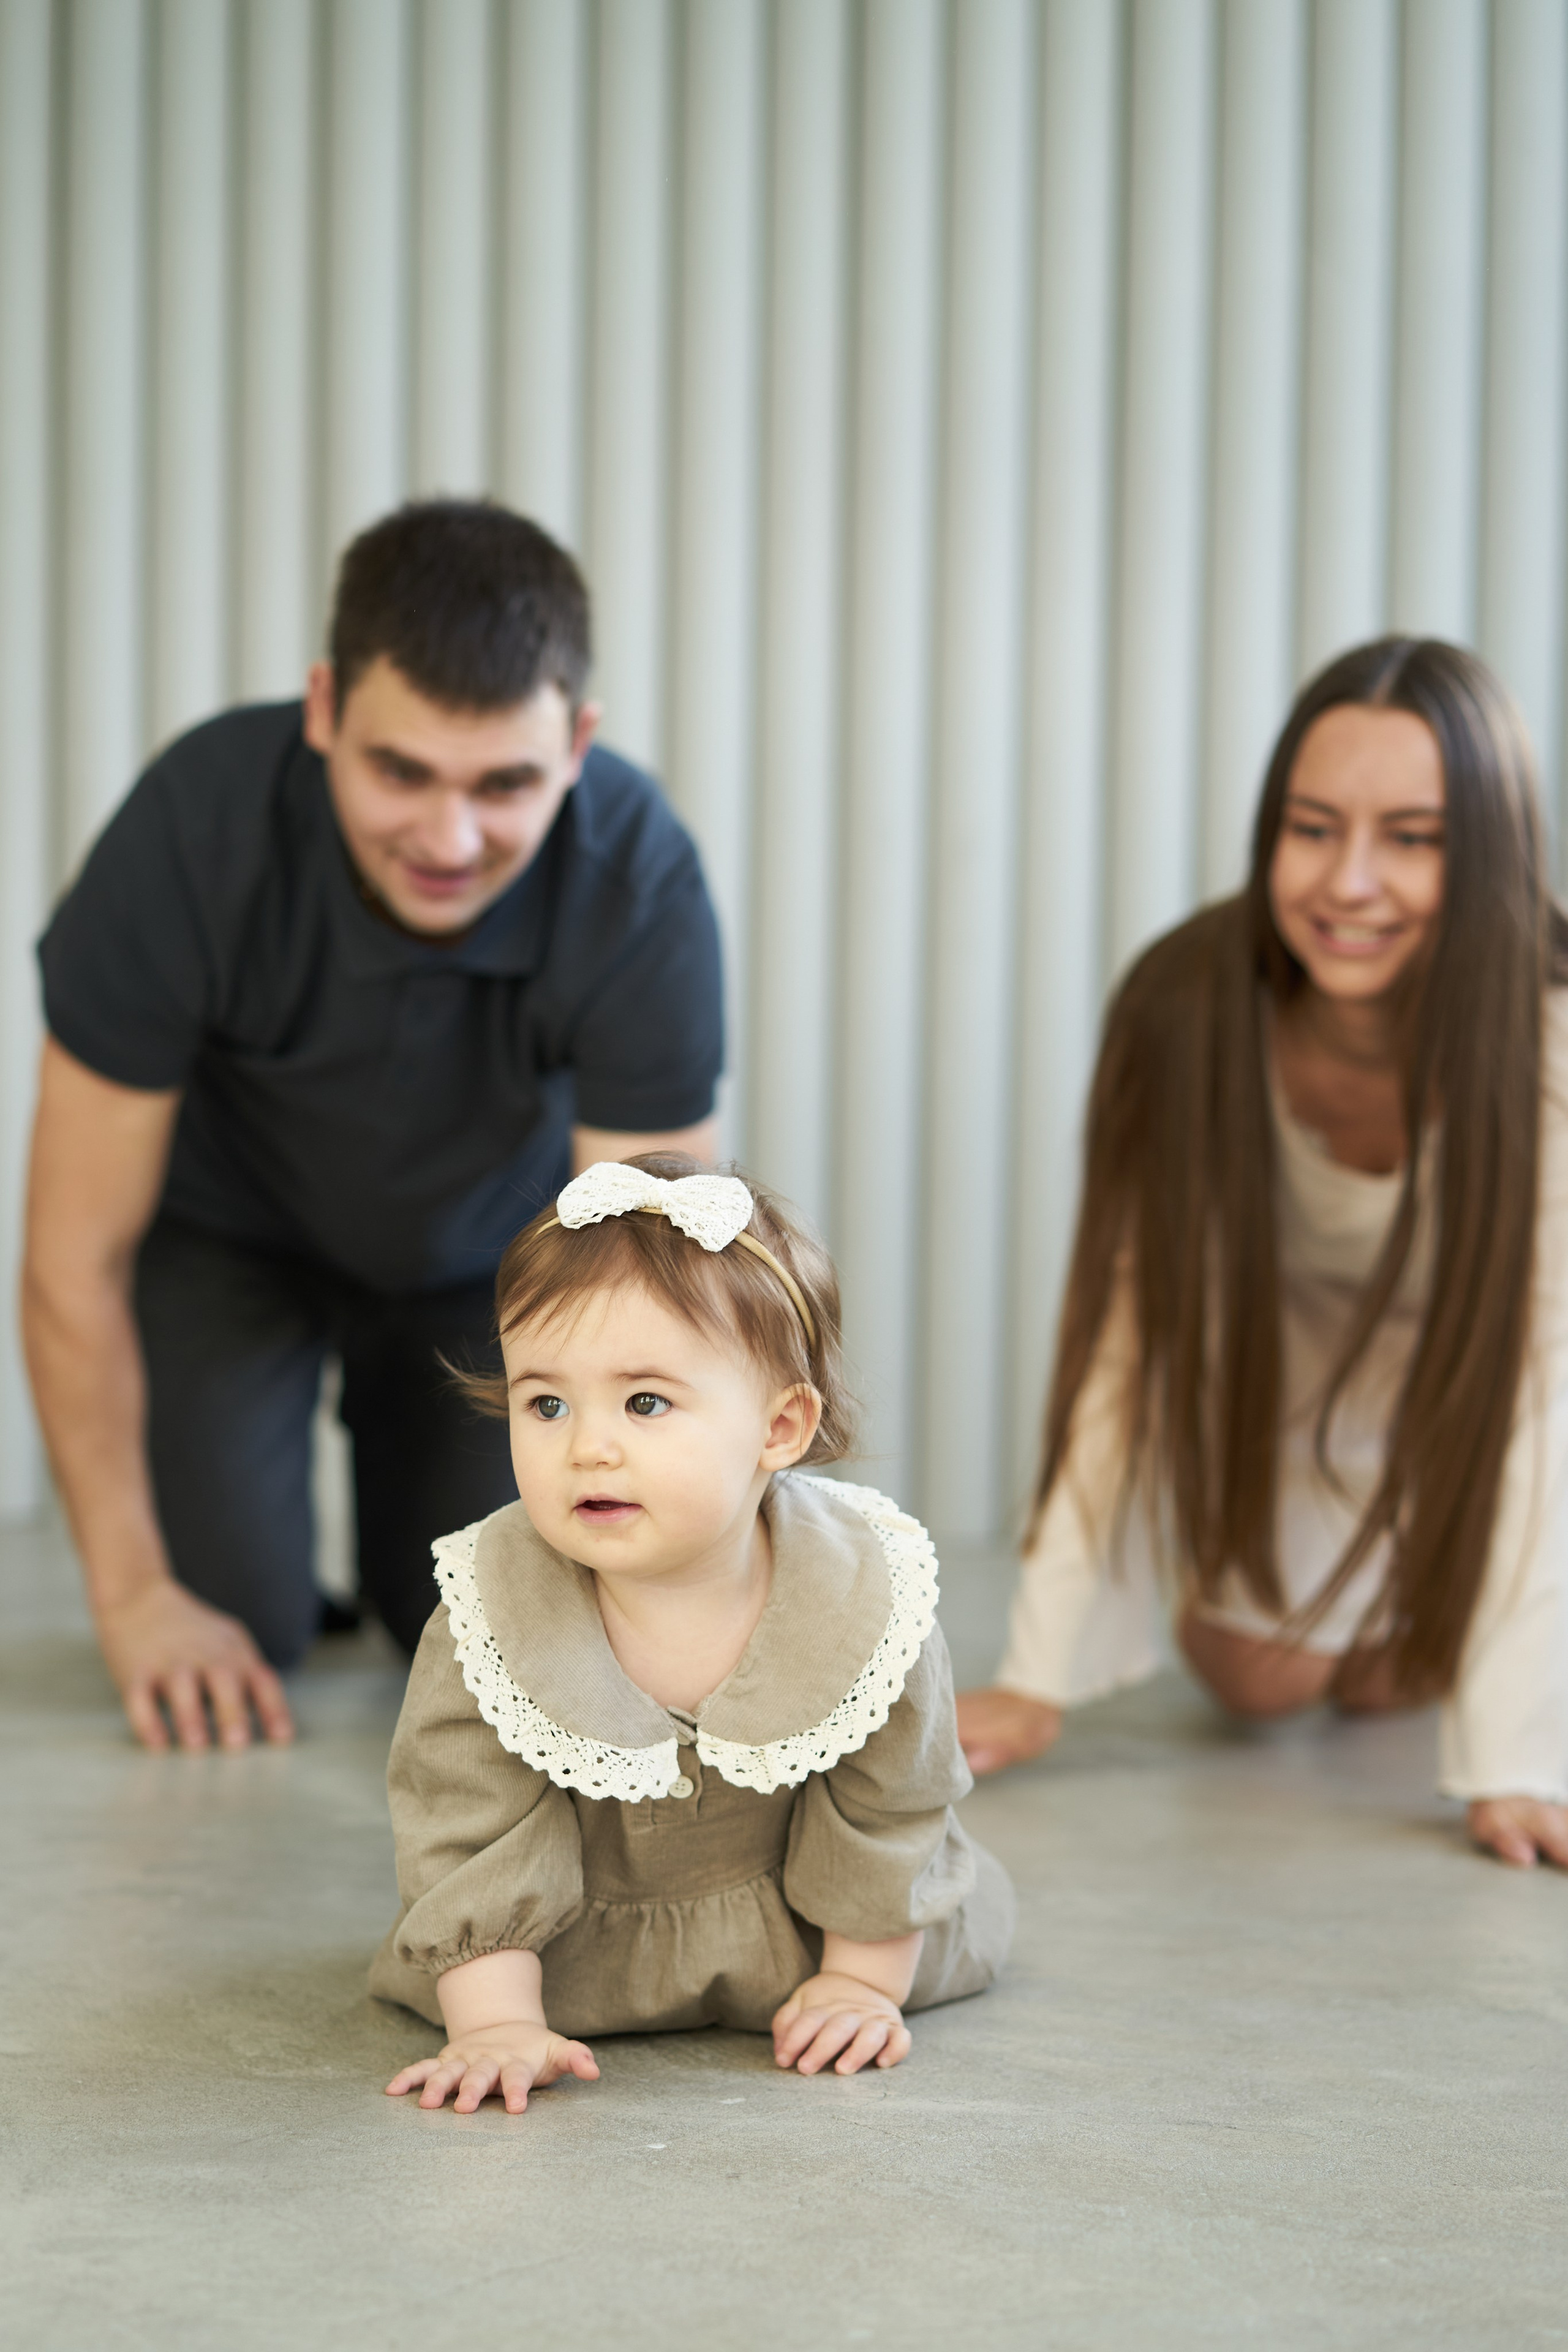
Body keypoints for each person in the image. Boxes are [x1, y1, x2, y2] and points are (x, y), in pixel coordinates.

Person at [23, 501, 723, 1754]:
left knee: (471, 1618)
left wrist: (650, 1604)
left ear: (577, 743)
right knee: (238, 1624)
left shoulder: (638, 880)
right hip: (230, 1244)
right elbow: (74, 1259)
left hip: (491, 1272)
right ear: (324, 711)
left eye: (504, 783)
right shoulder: (189, 832)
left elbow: (647, 1292)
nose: (449, 840)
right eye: (401, 772)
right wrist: (131, 1601)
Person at [958, 637, 1568, 1871]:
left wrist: (1513, 1755)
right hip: (1299, 1375)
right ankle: (1398, 1583)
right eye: (1312, 828)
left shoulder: (1548, 1029)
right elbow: (1124, 1339)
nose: (1350, 883)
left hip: (1479, 1393)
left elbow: (1543, 1380)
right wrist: (1036, 1676)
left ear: (1490, 852)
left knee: (1421, 1664)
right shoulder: (1184, 1005)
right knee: (1257, 1677)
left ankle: (1441, 1590)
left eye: (1413, 838)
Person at [372, 1154, 1013, 2111]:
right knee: (475, 1954)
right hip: (563, 1960)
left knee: (896, 1927)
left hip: (818, 1939)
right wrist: (496, 2021)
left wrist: (860, 1984)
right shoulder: (494, 1607)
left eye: (646, 1403)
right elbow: (465, 1828)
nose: (588, 1446)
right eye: (546, 1404)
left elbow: (893, 1806)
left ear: (780, 1428)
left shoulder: (862, 1592)